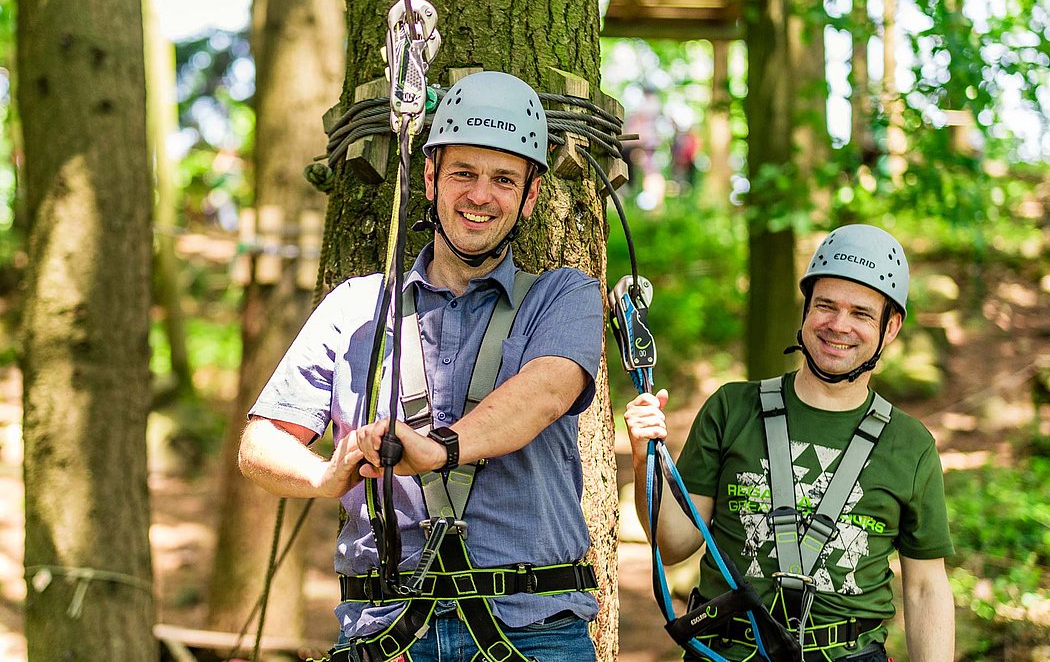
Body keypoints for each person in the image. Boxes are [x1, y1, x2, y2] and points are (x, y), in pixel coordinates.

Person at [239, 71, 604, 662]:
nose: (480, 195)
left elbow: (545, 393)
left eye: (503, 179)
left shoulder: (562, 297)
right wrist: (322, 476)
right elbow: (260, 442)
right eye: (463, 173)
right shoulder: (356, 307)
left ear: (530, 196)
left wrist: (440, 450)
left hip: (532, 629)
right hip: (383, 635)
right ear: (430, 179)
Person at [625, 225, 955, 662]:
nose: (838, 325)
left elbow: (926, 587)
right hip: (728, 649)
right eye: (825, 305)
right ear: (805, 309)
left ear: (890, 327)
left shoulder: (910, 445)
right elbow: (673, 545)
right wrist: (642, 455)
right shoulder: (732, 409)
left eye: (861, 313)